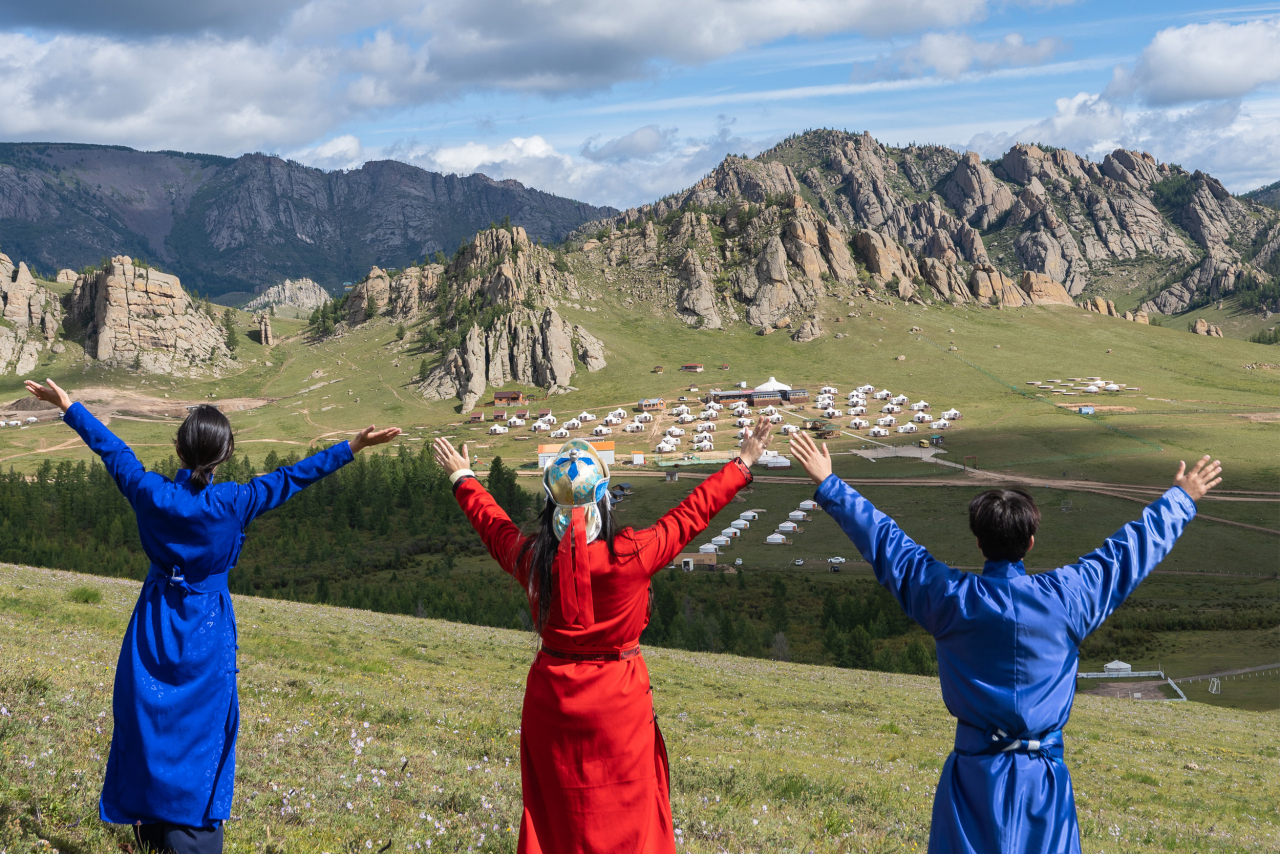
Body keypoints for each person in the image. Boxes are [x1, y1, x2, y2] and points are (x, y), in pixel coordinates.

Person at [788, 430, 1221, 854]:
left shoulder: (951, 600)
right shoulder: (1069, 599)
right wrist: (1181, 499)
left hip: (972, 783)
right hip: (1044, 789)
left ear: (979, 542)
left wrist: (830, 484)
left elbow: (889, 545)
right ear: (1030, 542)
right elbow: (1127, 554)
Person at [25, 378, 400, 854]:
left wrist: (69, 405)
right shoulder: (235, 502)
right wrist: (353, 446)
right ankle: (195, 835)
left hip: (154, 624)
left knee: (147, 722)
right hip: (207, 629)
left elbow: (113, 451)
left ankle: (151, 828)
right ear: (223, 456)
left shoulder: (149, 492)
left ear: (179, 449)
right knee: (204, 731)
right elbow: (295, 476)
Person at [433, 419, 774, 854]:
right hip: (620, 704)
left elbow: (493, 526)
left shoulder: (532, 557)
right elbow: (692, 514)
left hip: (551, 701)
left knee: (556, 816)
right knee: (629, 818)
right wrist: (743, 462)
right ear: (604, 499)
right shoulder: (634, 552)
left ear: (549, 502)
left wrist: (464, 478)